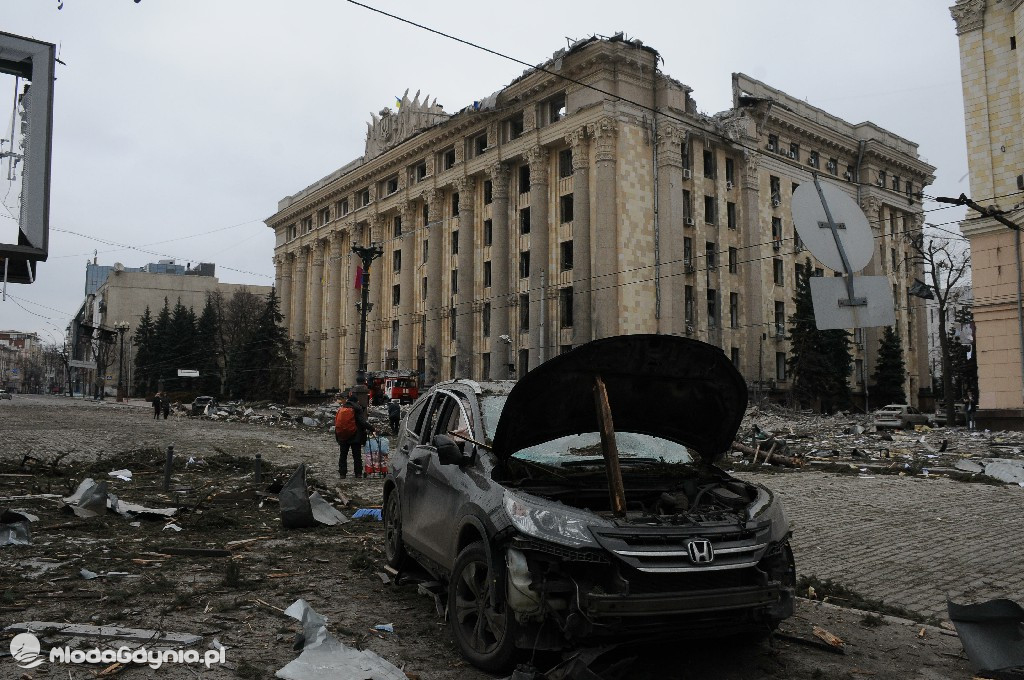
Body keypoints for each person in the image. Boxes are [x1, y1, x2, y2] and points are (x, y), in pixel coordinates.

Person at [336, 392, 373, 479]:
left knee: (343, 455)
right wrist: (372, 428)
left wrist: (338, 436)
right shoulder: (357, 408)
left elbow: (338, 423)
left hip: (343, 436)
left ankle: (342, 474)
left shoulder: (342, 408)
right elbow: (362, 422)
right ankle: (358, 473)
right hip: (355, 436)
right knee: (356, 456)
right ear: (356, 401)